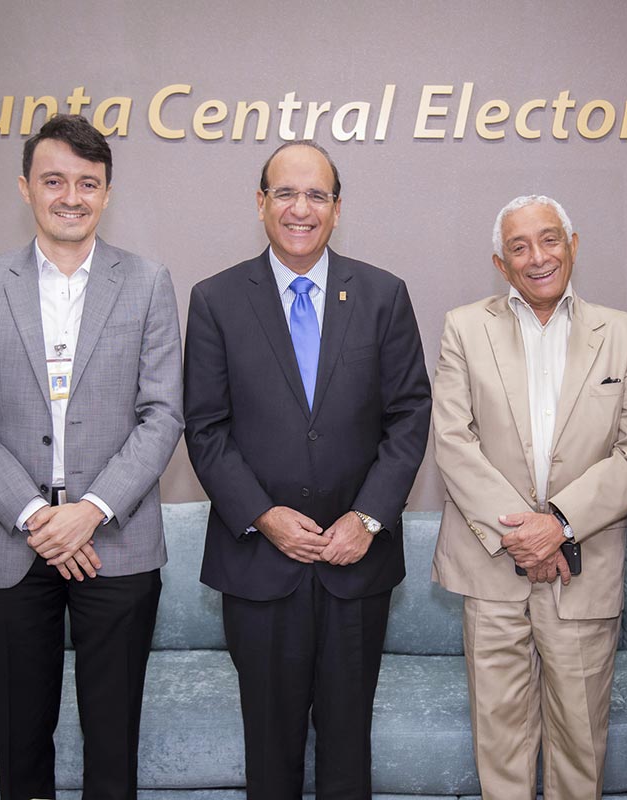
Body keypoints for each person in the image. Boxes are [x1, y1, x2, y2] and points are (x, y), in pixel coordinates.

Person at [0, 114, 184, 800]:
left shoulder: (148, 282)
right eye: (54, 180)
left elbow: (162, 415)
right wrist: (35, 516)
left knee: (113, 747)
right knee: (20, 747)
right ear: (26, 188)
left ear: (106, 194)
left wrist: (90, 511)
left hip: (117, 544)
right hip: (7, 547)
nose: (70, 196)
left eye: (87, 183)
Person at [183, 141, 432, 799]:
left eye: (316, 195)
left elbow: (409, 417)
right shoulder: (215, 300)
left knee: (348, 754)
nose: (301, 208)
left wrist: (368, 516)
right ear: (261, 203)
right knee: (270, 753)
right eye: (286, 193)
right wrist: (264, 517)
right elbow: (205, 428)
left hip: (357, 566)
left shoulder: (382, 295)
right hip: (260, 567)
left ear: (337, 208)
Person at [431, 194, 627, 799]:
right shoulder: (463, 326)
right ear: (501, 264)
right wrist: (523, 537)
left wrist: (557, 524)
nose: (538, 257)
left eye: (550, 239)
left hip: (583, 570)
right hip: (492, 566)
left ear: (574, 244)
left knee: (580, 746)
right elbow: (454, 442)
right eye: (519, 247)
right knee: (499, 743)